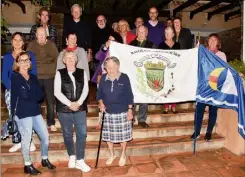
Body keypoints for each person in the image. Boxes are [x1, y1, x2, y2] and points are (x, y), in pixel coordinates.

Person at [11, 51, 56, 175]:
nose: (25, 63)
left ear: (30, 62)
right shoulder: (15, 77)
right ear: (18, 63)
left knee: (45, 137)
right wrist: (12, 115)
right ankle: (27, 164)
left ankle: (44, 159)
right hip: (22, 113)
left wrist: (28, 93)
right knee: (26, 139)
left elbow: (40, 96)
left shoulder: (34, 77)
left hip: (35, 111)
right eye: (22, 60)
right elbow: (16, 96)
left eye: (27, 60)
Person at [54, 51, 91, 172]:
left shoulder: (82, 72)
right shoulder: (59, 73)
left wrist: (78, 103)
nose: (70, 59)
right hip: (64, 109)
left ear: (76, 60)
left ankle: (80, 160)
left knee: (82, 133)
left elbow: (85, 89)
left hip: (80, 108)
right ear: (63, 60)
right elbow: (57, 92)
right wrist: (70, 104)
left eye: (72, 57)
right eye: (67, 57)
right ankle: (72, 156)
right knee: (67, 133)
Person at [2, 32, 37, 153]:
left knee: (27, 115)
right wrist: (12, 89)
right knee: (14, 115)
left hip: (26, 90)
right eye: (15, 40)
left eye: (20, 40)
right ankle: (17, 141)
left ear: (23, 42)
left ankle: (30, 141)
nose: (17, 42)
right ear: (12, 42)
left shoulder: (30, 55)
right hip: (11, 91)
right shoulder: (7, 57)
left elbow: (33, 73)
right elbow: (4, 76)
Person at [97, 56, 134, 167]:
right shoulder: (103, 78)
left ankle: (123, 154)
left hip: (122, 111)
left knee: (123, 135)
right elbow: (99, 94)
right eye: (108, 67)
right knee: (108, 135)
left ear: (117, 66)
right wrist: (101, 104)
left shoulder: (124, 78)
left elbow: (129, 95)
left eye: (112, 67)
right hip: (108, 112)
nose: (110, 70)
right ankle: (112, 154)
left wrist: (130, 110)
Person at [191, 33, 227, 141]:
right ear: (207, 42)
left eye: (214, 40)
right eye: (210, 40)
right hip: (203, 86)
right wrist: (196, 51)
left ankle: (209, 132)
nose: (212, 42)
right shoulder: (203, 52)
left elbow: (225, 70)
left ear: (218, 43)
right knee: (199, 110)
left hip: (215, 87)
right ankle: (197, 131)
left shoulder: (221, 55)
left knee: (213, 111)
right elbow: (195, 63)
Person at [27, 27, 59, 132]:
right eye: (39, 35)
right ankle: (36, 123)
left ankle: (51, 122)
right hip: (35, 77)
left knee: (50, 101)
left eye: (43, 34)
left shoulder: (51, 45)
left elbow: (57, 59)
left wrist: (53, 71)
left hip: (49, 77)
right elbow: (28, 60)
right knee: (35, 101)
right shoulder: (31, 45)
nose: (41, 37)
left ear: (46, 35)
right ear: (36, 35)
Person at [129, 25, 155, 128]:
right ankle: (131, 118)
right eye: (139, 31)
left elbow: (154, 59)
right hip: (134, 74)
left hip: (146, 74)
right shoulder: (131, 45)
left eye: (143, 31)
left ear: (146, 33)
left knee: (144, 97)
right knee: (132, 97)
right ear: (136, 33)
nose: (141, 33)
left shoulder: (152, 45)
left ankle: (142, 119)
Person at [159, 26, 180, 114]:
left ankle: (174, 106)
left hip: (175, 69)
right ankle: (166, 106)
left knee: (174, 86)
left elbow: (181, 56)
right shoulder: (161, 45)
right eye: (166, 33)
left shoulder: (178, 45)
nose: (168, 35)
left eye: (170, 33)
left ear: (173, 34)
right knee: (166, 87)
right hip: (165, 69)